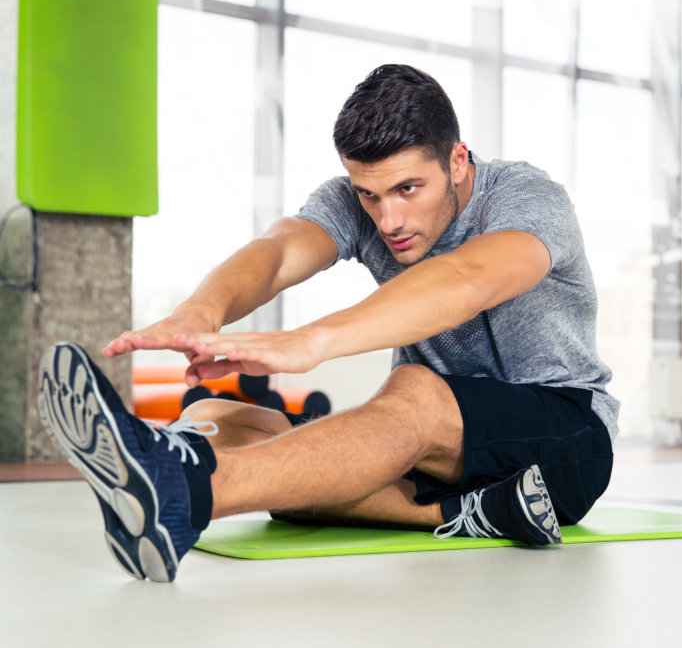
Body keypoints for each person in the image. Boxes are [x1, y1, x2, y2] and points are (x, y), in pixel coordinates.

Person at [38, 64, 618, 583]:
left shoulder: (526, 198)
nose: (389, 218)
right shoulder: (356, 200)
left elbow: (468, 281)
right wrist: (201, 311)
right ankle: (475, 513)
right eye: (369, 194)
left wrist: (311, 342)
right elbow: (279, 251)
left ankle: (184, 491)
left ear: (458, 160)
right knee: (213, 416)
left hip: (564, 441)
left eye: (408, 189)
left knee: (410, 393)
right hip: (443, 460)